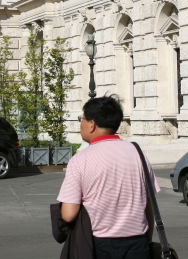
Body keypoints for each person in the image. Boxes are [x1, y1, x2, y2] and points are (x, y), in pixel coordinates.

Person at [57, 96, 159, 259]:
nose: (81, 124)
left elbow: (68, 214)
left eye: (82, 119)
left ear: (92, 124)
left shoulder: (80, 160)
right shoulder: (138, 154)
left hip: (99, 245)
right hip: (137, 244)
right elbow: (148, 206)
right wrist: (147, 240)